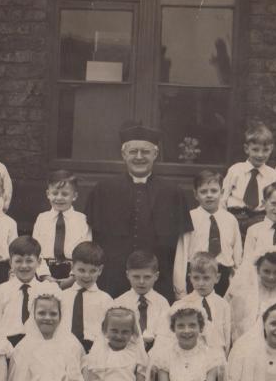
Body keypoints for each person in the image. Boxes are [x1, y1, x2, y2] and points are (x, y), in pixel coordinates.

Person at [83, 122, 193, 300]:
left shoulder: (172, 192)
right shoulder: (103, 190)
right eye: (133, 151)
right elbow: (90, 241)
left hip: (159, 285)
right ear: (124, 154)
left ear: (155, 154)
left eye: (146, 152)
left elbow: (182, 248)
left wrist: (179, 289)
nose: (139, 157)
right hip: (111, 283)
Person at [173, 170, 242, 299]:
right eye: (203, 192)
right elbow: (181, 254)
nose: (209, 195)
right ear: (195, 194)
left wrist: (236, 284)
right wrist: (180, 290)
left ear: (221, 192)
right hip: (196, 275)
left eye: (214, 191)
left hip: (222, 274)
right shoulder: (190, 218)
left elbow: (237, 255)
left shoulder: (230, 219)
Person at [0, 236, 61, 346]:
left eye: (29, 261)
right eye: (18, 261)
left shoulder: (47, 289)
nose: (24, 266)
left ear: (38, 262)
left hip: (39, 343)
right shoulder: (1, 290)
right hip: (8, 343)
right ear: (10, 263)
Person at [31, 169, 91, 286]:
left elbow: (85, 252)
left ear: (74, 196)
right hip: (45, 273)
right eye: (55, 193)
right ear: (48, 194)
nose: (59, 198)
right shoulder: (42, 219)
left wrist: (73, 277)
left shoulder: (82, 220)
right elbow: (36, 251)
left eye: (65, 194)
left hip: (74, 274)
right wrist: (45, 276)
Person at [222, 120, 276, 236]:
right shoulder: (235, 170)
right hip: (235, 216)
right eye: (255, 149)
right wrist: (223, 220)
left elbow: (275, 201)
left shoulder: (273, 175)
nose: (260, 155)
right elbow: (223, 197)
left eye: (265, 150)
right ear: (246, 149)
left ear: (271, 149)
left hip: (260, 219)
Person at [170, 252, 232, 356]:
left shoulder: (223, 305)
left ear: (217, 278)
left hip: (216, 355)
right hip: (191, 355)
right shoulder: (182, 304)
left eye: (206, 278)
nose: (201, 283)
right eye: (196, 278)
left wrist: (224, 357)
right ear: (190, 278)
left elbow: (226, 335)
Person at [227, 250, 276, 341]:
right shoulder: (245, 294)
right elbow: (237, 325)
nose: (271, 277)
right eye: (266, 271)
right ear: (258, 270)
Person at [60, 242, 115, 353]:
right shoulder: (62, 296)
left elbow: (108, 331)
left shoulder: (105, 300)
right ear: (72, 268)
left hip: (94, 350)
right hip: (65, 349)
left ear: (100, 270)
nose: (86, 275)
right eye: (81, 270)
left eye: (92, 271)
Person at [114, 250, 171, 353]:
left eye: (147, 277)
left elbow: (165, 335)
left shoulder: (162, 303)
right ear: (127, 275)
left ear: (156, 276)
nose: (141, 282)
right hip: (127, 353)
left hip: (156, 354)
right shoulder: (119, 303)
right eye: (136, 277)